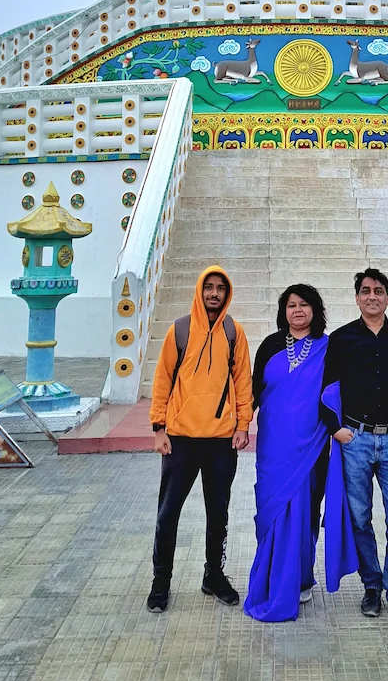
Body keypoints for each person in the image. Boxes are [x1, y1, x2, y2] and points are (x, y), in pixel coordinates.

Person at [244, 284, 357, 622]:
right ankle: (271, 577)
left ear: (315, 310)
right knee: (272, 509)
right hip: (274, 446)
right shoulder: (270, 345)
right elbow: (253, 393)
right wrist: (235, 425)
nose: (298, 310)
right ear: (284, 311)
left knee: (307, 507)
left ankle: (302, 576)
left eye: (304, 305)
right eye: (291, 305)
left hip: (312, 444)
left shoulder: (328, 346)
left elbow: (336, 390)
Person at [146, 265, 253, 613]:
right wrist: (158, 427)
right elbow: (162, 380)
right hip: (180, 440)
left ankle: (214, 575)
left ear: (227, 292)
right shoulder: (179, 330)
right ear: (200, 290)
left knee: (217, 513)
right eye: (209, 287)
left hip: (221, 440)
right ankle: (161, 582)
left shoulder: (234, 332)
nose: (214, 294)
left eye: (221, 288)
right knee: (168, 514)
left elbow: (243, 382)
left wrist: (242, 424)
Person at [326, 267, 388, 625]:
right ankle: (371, 586)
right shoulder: (342, 338)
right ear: (356, 297)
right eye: (365, 291)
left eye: (378, 291)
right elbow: (326, 386)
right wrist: (336, 429)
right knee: (360, 518)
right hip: (357, 439)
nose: (372, 296)